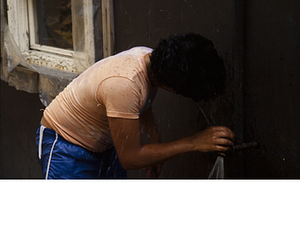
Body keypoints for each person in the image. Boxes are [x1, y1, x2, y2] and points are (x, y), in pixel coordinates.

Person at [36, 33, 235, 179]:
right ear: (174, 87)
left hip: (106, 146)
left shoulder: (150, 58)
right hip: (66, 145)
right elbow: (130, 159)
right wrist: (194, 142)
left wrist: (155, 146)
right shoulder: (124, 83)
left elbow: (141, 102)